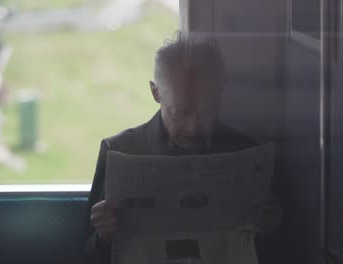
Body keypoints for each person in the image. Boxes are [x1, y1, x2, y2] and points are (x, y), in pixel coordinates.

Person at [83, 32, 282, 264]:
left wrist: (270, 229)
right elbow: (87, 256)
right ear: (155, 92)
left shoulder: (248, 155)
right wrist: (103, 236)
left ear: (221, 91)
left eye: (207, 111)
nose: (194, 127)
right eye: (181, 113)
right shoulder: (119, 152)